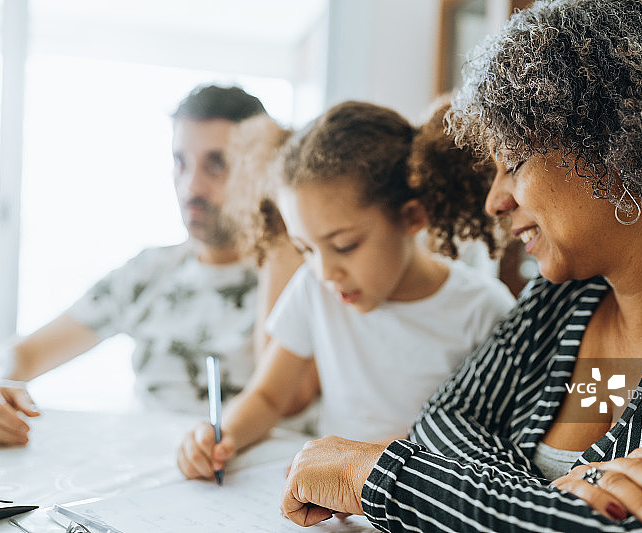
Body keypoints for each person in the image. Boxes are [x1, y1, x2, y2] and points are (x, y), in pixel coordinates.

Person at [279, 1, 642, 531]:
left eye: (512, 163)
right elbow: (446, 421)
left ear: (614, 147)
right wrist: (551, 503)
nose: (494, 201)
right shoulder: (567, 294)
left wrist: (378, 478)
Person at [175, 101, 516, 481]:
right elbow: (268, 396)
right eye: (305, 249)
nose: (325, 272)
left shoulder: (484, 309)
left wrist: (366, 466)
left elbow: (488, 438)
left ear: (412, 217)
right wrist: (221, 435)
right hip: (327, 504)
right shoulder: (314, 288)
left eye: (344, 245)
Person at [0, 84, 307, 446]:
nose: (191, 186)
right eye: (180, 162)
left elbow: (290, 397)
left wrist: (275, 222)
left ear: (260, 171)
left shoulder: (309, 269)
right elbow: (23, 353)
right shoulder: (150, 272)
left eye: (217, 164)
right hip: (146, 480)